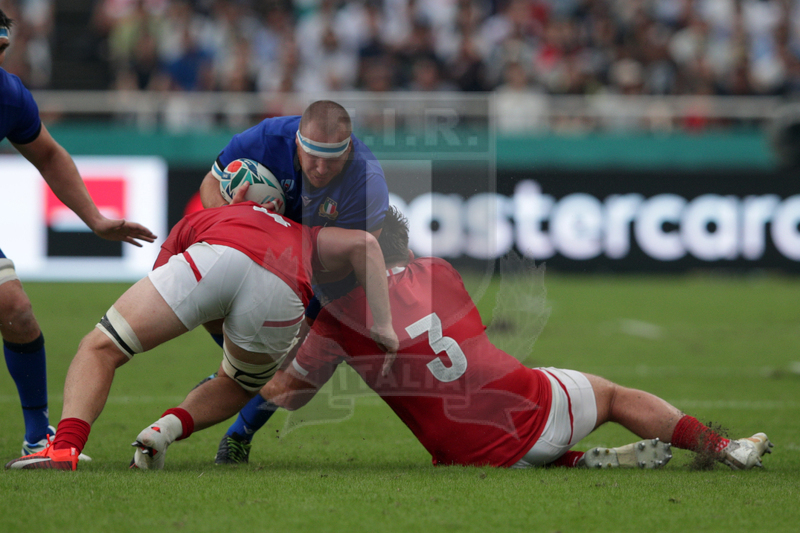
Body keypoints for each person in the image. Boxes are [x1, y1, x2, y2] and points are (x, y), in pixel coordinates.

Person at [215, 207, 773, 470]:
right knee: (611, 396)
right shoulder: (440, 271)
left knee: (493, 423)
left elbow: (290, 392)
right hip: (531, 410)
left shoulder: (339, 316)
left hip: (466, 458)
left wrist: (241, 412)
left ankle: (576, 463)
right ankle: (725, 448)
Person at [5, 201, 398, 470]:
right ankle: (163, 430)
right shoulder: (310, 234)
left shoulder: (214, 212)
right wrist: (383, 326)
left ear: (240, 193)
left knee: (102, 347)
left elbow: (164, 280)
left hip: (217, 254)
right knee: (238, 384)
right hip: (283, 285)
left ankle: (65, 448)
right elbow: (364, 244)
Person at [0, 10, 156, 459]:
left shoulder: (8, 95)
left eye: (1, 49)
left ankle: (37, 437)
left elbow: (49, 155)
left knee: (16, 311)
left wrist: (96, 219)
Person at [197, 99, 390, 462]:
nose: (321, 168)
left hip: (325, 274)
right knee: (218, 312)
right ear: (297, 142)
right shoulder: (265, 139)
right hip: (255, 249)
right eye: (312, 156)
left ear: (348, 149)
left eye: (332, 159)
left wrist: (283, 244)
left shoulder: (367, 181)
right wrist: (234, 217)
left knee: (291, 384)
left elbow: (349, 262)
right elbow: (211, 182)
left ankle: (237, 416)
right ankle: (235, 390)